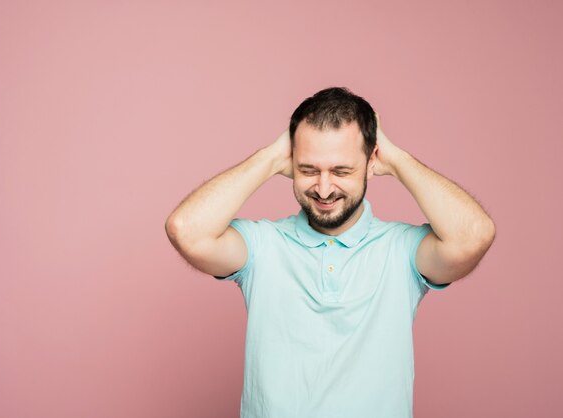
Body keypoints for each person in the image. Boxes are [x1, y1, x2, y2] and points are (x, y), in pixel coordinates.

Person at [165, 87, 496, 418]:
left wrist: (396, 159)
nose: (324, 190)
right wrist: (268, 158)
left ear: (370, 164)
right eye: (309, 170)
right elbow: (187, 231)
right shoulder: (264, 244)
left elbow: (473, 236)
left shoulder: (400, 249)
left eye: (341, 171)